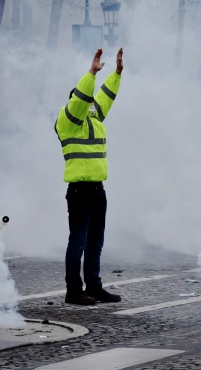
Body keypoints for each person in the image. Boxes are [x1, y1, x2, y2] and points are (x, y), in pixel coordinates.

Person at [55, 48, 123, 305]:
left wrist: (116, 74)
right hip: (80, 191)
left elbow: (104, 97)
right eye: (86, 101)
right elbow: (84, 97)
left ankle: (94, 287)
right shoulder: (67, 120)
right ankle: (74, 291)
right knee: (78, 243)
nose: (91, 104)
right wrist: (91, 72)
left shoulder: (94, 118)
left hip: (97, 190)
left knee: (95, 243)